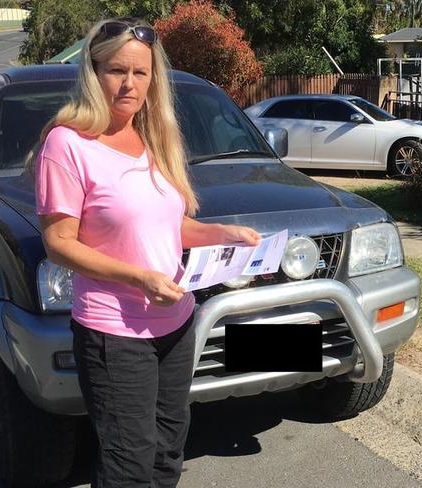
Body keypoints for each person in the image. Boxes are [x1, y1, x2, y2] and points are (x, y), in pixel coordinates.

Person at [34, 17, 260, 488]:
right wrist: (140, 279)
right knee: (128, 464)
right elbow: (58, 243)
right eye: (117, 71)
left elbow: (168, 228)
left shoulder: (155, 138)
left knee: (167, 450)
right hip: (114, 332)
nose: (129, 84)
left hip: (175, 322)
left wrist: (224, 233)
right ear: (93, 72)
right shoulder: (68, 144)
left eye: (140, 73)